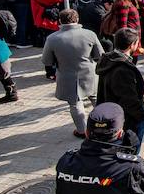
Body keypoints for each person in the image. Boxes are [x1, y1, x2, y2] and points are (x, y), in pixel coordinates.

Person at [42, 9, 104, 137]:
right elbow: (99, 55)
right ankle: (104, 124)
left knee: (75, 103)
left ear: (60, 21)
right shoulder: (90, 34)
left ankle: (82, 131)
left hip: (67, 75)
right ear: (77, 19)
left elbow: (47, 61)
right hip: (90, 73)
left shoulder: (52, 38)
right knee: (96, 99)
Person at [95, 28, 144, 151]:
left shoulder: (109, 60)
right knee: (131, 150)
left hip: (111, 115)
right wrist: (141, 115)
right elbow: (128, 98)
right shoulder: (122, 69)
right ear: (132, 45)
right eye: (137, 43)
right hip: (126, 119)